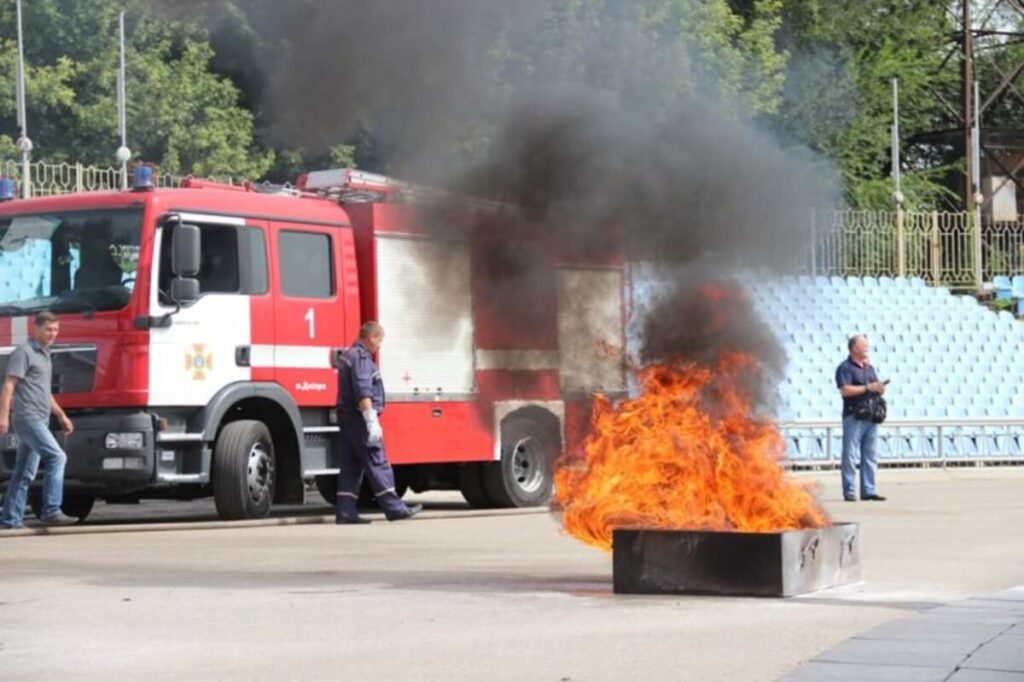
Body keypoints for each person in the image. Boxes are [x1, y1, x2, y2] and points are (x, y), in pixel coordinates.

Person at [335, 321, 422, 524]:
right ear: (372, 337)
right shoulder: (361, 357)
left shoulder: (348, 355)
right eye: (379, 341)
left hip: (348, 419)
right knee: (377, 461)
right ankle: (394, 508)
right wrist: (371, 420)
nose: (379, 347)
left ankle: (345, 512)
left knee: (351, 466)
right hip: (360, 419)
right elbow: (363, 390)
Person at [0, 311, 76, 528]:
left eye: (56, 330)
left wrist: (61, 415)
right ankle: (51, 509)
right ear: (37, 329)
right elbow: (8, 385)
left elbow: (45, 392)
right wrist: (3, 416)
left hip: (41, 417)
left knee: (24, 472)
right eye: (48, 329)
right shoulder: (23, 353)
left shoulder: (45, 354)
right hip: (28, 417)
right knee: (57, 457)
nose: (53, 334)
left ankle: (10, 519)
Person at [835, 334, 887, 502]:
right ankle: (849, 491)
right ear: (855, 348)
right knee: (850, 455)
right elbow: (845, 390)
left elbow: (874, 386)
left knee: (870, 455)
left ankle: (868, 490)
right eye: (864, 346)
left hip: (870, 417)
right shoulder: (845, 368)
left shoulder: (869, 368)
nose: (867, 348)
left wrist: (879, 388)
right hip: (854, 416)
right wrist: (867, 387)